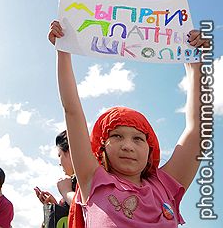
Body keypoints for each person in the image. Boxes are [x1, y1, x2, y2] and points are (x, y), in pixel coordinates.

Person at [48, 20, 207, 227]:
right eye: (117, 136)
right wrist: (64, 51)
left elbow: (197, 129)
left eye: (138, 138)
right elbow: (72, 110)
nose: (128, 145)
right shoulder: (93, 180)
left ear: (150, 150)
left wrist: (195, 66)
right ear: (102, 146)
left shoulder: (165, 186)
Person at [34, 130, 76, 227]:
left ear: (70, 152)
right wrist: (55, 206)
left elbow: (86, 208)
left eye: (59, 155)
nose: (59, 163)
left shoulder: (88, 183)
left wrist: (67, 193)